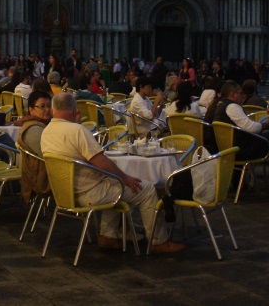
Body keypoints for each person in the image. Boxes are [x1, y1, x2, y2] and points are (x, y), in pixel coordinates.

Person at [40, 92, 184, 253]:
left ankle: (108, 235)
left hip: (66, 193)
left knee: (114, 183)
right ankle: (158, 241)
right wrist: (125, 177)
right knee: (147, 189)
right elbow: (101, 162)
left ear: (53, 109)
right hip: (90, 193)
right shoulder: (77, 131)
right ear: (74, 110)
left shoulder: (46, 132)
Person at [203, 80, 269, 157]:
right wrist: (266, 125)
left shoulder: (219, 104)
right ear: (233, 94)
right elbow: (252, 128)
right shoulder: (232, 107)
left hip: (225, 148)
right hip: (240, 150)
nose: (243, 96)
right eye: (240, 93)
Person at [17, 91, 52, 205]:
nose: (47, 109)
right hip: (41, 179)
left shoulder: (44, 125)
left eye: (49, 105)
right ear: (31, 110)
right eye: (42, 106)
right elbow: (51, 156)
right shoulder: (33, 130)